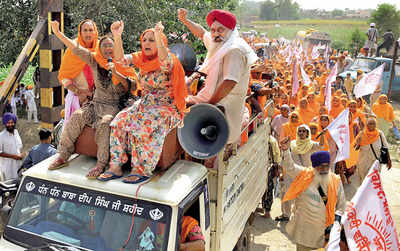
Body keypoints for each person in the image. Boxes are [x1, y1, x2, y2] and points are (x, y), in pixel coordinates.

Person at [97, 21, 187, 183]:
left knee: (143, 124)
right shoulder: (141, 58)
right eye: (144, 39)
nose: (147, 43)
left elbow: (164, 61)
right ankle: (115, 166)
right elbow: (120, 60)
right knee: (119, 121)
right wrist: (117, 36)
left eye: (152, 40)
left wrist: (158, 35)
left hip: (167, 107)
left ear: (161, 42)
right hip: (145, 104)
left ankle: (141, 169)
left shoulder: (169, 60)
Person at [48, 21, 136, 178]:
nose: (108, 49)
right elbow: (75, 48)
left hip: (113, 106)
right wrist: (58, 32)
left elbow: (132, 85)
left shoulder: (121, 63)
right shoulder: (94, 60)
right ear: (99, 49)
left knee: (104, 124)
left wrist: (115, 72)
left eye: (111, 46)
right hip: (94, 103)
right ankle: (63, 155)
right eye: (104, 46)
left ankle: (101, 164)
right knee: (76, 117)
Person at [178, 8, 258, 145]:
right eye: (213, 30)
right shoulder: (220, 42)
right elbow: (202, 32)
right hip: (211, 101)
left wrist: (209, 105)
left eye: (220, 30)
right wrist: (185, 21)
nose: (215, 34)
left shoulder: (234, 50)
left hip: (223, 106)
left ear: (230, 31)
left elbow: (229, 83)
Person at [280, 139, 346, 251]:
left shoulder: (336, 181)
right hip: (304, 232)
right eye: (321, 166)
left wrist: (336, 222)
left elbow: (341, 206)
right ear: (314, 166)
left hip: (324, 234)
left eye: (326, 166)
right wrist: (286, 150)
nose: (324, 169)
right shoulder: (304, 175)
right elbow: (290, 167)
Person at [58, 19, 98, 123]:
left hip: (99, 98)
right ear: (80, 33)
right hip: (78, 98)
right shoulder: (72, 49)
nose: (88, 33)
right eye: (85, 30)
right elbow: (64, 77)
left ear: (95, 32)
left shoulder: (101, 48)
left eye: (90, 30)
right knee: (71, 134)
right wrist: (79, 92)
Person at [354, 117, 391, 183]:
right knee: (363, 181)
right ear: (366, 125)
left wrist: (389, 160)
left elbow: (385, 147)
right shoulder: (362, 134)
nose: (371, 125)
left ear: (376, 125)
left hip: (376, 161)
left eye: (373, 124)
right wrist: (358, 142)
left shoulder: (380, 134)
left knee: (374, 181)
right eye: (369, 124)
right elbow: (356, 148)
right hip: (363, 162)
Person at [261, 135, 281, 219]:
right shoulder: (267, 139)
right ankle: (264, 208)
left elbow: (276, 156)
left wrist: (276, 168)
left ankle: (267, 211)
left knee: (268, 188)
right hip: (262, 166)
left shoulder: (271, 140)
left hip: (268, 167)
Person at [0, 113, 23, 180]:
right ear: (5, 123)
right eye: (8, 123)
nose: (10, 124)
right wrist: (13, 156)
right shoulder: (1, 136)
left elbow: (18, 147)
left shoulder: (16, 132)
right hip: (7, 168)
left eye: (12, 122)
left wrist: (20, 155)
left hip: (18, 165)